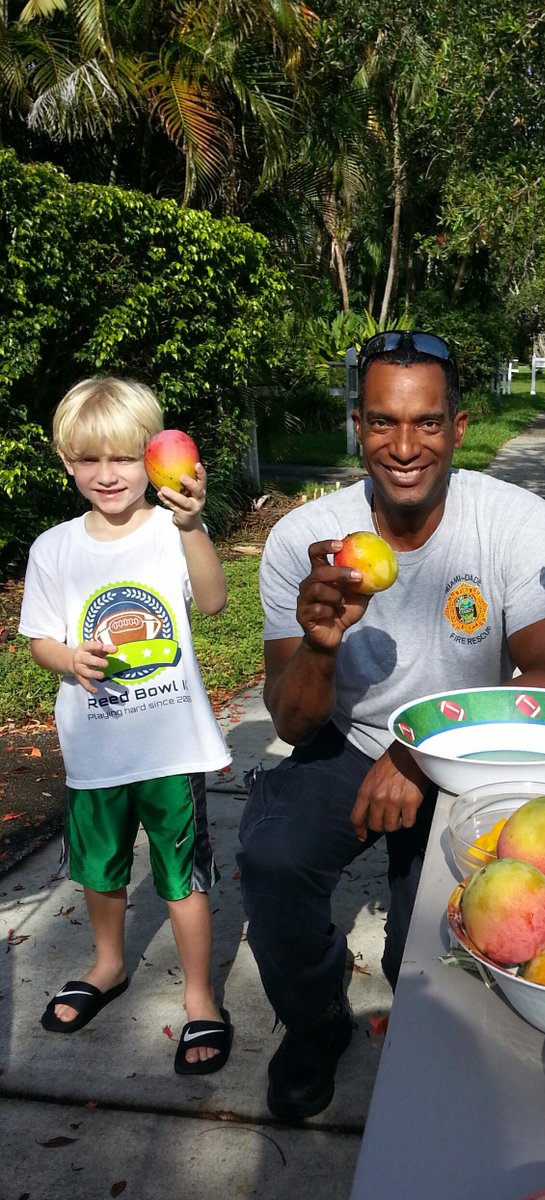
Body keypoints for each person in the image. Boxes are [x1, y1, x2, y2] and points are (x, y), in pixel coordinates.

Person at [238, 329, 545, 1121]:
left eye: (426, 422)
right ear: (357, 425)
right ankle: (317, 1018)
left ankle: (433, 1035)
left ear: (458, 428)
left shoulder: (511, 523)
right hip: (349, 743)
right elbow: (291, 720)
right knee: (271, 858)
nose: (404, 446)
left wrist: (422, 755)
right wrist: (322, 646)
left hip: (468, 753)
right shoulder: (306, 540)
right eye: (383, 423)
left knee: (422, 951)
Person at [18, 377, 234, 1075]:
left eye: (122, 458)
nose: (107, 475)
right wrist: (68, 657)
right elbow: (40, 640)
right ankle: (108, 964)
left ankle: (201, 998)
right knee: (101, 872)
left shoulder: (172, 531)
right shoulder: (54, 547)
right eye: (88, 460)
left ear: (152, 459)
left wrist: (193, 525)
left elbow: (213, 601)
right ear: (66, 464)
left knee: (182, 878)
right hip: (95, 747)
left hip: (169, 748)